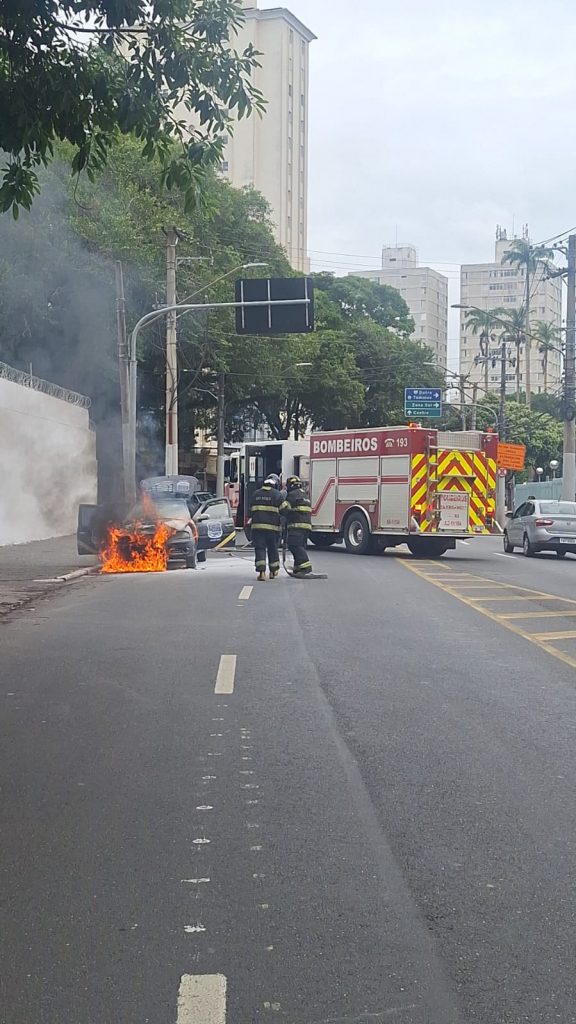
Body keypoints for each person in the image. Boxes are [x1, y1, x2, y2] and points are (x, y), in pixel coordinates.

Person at [249, 473, 283, 581]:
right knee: (273, 549)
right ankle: (273, 572)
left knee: (260, 548)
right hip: (273, 529)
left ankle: (262, 573)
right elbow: (284, 510)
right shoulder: (277, 495)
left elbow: (251, 510)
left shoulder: (255, 494)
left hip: (257, 529)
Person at [281, 475, 313, 576]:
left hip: (296, 526)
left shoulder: (292, 495)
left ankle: (306, 567)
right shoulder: (304, 495)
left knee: (294, 545)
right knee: (300, 546)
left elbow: (284, 509)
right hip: (306, 526)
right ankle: (298, 567)